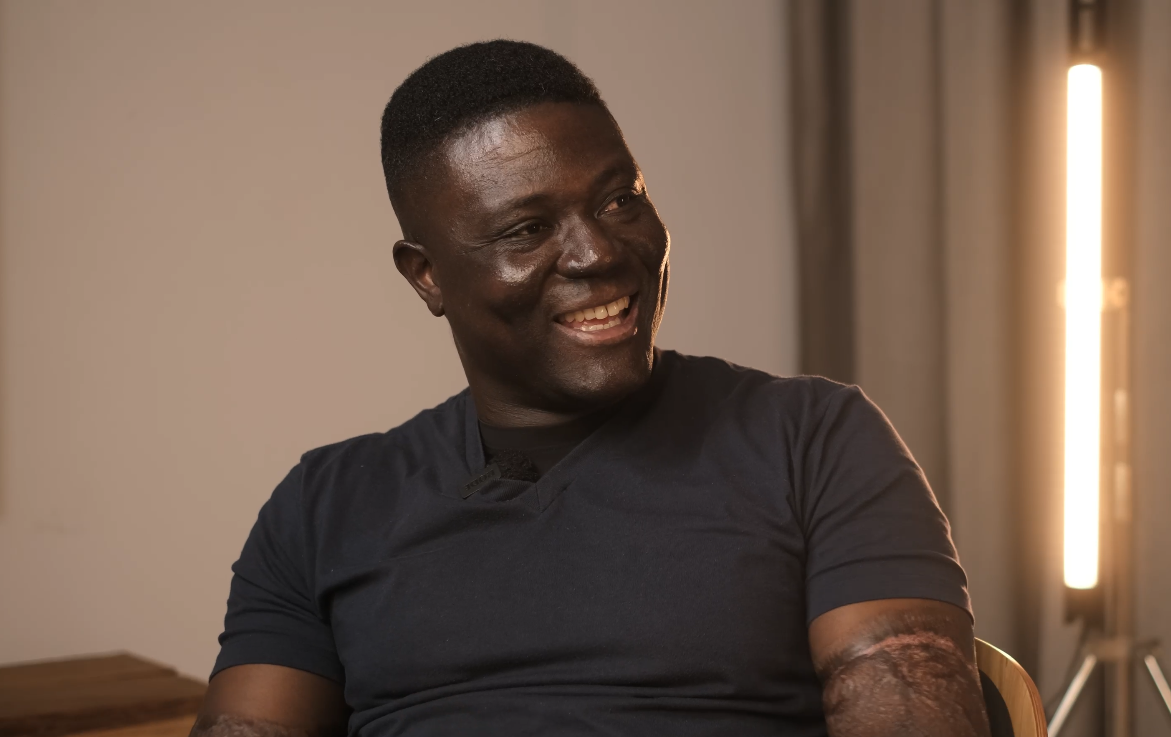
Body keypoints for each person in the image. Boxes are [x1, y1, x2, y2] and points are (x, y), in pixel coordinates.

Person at [192, 40, 989, 737]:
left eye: (619, 199)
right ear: (428, 275)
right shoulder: (323, 507)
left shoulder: (812, 440)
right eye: (526, 231)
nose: (597, 253)